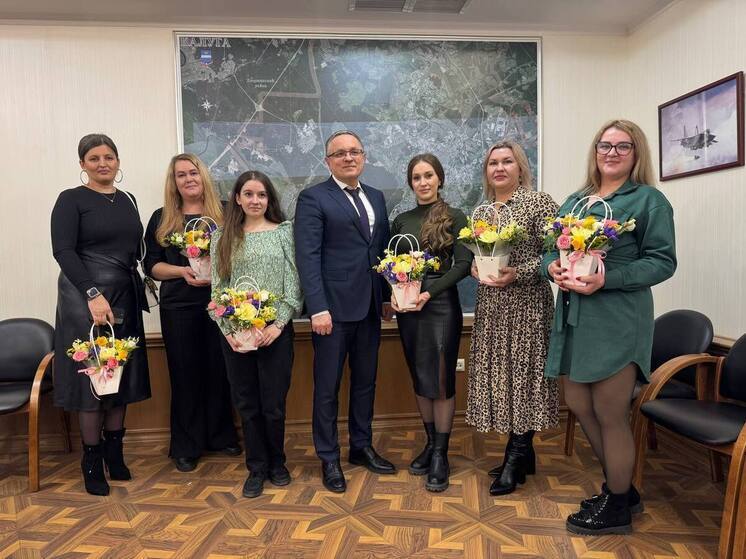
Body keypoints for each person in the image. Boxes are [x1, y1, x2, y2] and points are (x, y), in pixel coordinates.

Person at [543, 119, 676, 535]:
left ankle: (617, 504)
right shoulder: (576, 200)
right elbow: (550, 246)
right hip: (574, 318)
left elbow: (662, 261)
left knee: (609, 411)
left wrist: (608, 278)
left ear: (636, 154)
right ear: (595, 151)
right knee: (578, 402)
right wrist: (551, 267)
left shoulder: (649, 200)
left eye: (623, 146)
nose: (612, 152)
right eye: (605, 145)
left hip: (618, 316)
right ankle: (623, 489)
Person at [294, 130, 395, 493]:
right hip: (332, 312)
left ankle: (361, 447)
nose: (349, 158)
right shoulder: (313, 198)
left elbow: (381, 251)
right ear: (328, 161)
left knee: (366, 382)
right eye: (340, 153)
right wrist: (317, 307)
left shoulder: (376, 197)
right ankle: (329, 457)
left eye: (355, 152)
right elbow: (308, 257)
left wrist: (386, 296)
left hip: (369, 307)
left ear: (363, 157)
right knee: (327, 388)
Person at [51, 133, 151, 496]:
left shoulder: (128, 199)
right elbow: (63, 251)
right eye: (94, 158)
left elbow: (134, 251)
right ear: (82, 164)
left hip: (123, 293)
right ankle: (91, 462)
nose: (102, 163)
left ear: (118, 161)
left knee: (119, 376)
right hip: (86, 297)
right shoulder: (70, 199)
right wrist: (92, 294)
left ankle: (114, 453)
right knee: (93, 380)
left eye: (109, 156)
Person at [465, 140, 560, 496]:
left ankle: (515, 456)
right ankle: (524, 454)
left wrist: (518, 272)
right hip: (492, 306)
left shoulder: (538, 202)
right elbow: (480, 254)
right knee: (503, 377)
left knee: (524, 375)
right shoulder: (483, 211)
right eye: (493, 163)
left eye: (507, 161)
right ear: (486, 171)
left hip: (527, 305)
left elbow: (557, 254)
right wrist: (475, 266)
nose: (500, 168)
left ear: (521, 167)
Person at [144, 153, 240, 473]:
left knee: (221, 370)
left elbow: (241, 255)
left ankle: (221, 436)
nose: (188, 179)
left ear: (204, 177)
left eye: (193, 172)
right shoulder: (162, 218)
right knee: (185, 374)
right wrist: (182, 271)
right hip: (179, 306)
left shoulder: (226, 212)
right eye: (181, 175)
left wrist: (219, 272)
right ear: (174, 182)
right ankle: (187, 445)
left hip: (222, 303)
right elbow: (152, 266)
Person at [211, 170, 302, 498]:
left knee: (273, 403)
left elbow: (293, 283)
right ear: (237, 198)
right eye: (248, 194)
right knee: (247, 403)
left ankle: (277, 463)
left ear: (269, 199)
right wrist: (229, 332)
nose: (255, 200)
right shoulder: (222, 237)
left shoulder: (284, 232)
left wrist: (278, 325)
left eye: (261, 195)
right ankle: (257, 467)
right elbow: (217, 289)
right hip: (237, 335)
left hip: (275, 332)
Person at [390, 154, 472, 492]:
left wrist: (429, 292)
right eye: (416, 177)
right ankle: (429, 443)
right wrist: (394, 294)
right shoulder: (401, 220)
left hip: (440, 306)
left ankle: (441, 454)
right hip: (409, 309)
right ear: (410, 183)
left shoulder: (455, 216)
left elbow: (463, 265)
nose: (423, 182)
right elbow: (391, 265)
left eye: (428, 175)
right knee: (420, 376)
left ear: (440, 178)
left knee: (440, 378)